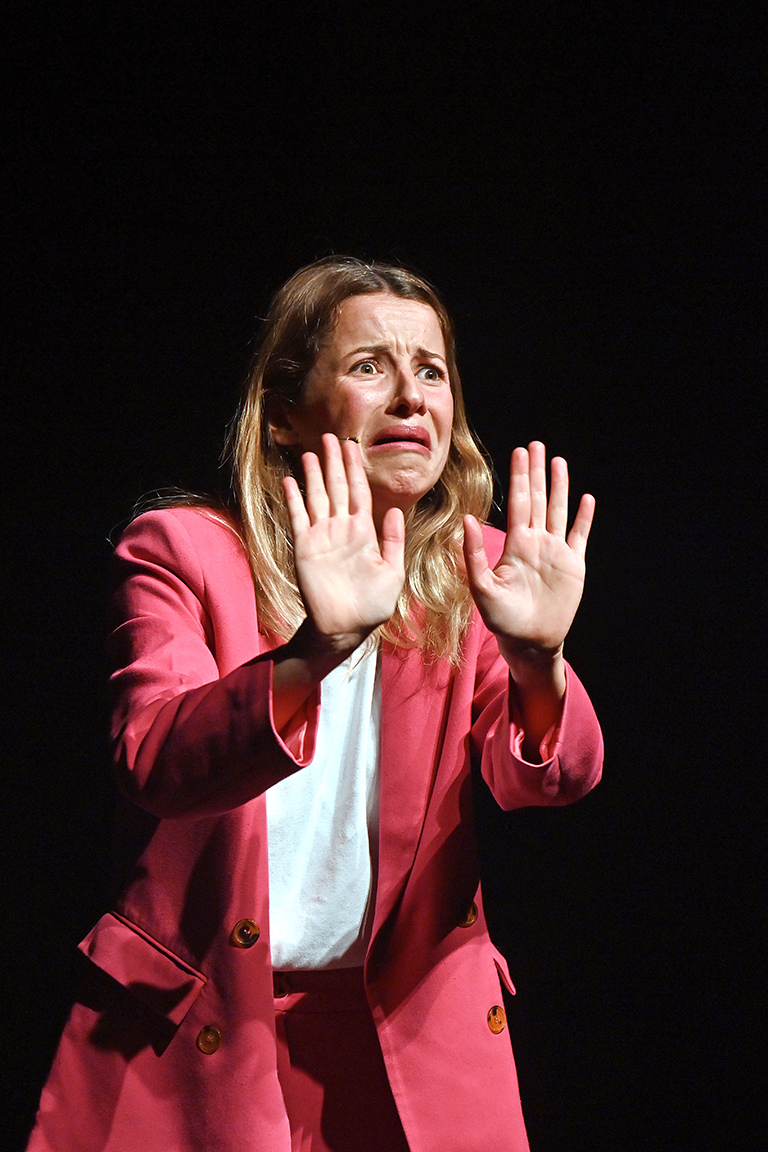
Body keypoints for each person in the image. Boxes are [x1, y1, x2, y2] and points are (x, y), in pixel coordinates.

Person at [28, 257, 603, 1152]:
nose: (411, 397)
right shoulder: (182, 550)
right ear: (285, 413)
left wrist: (539, 660)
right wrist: (314, 653)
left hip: (404, 1043)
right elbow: (153, 760)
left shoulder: (476, 573)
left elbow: (551, 780)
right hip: (198, 1038)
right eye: (370, 365)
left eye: (432, 371)